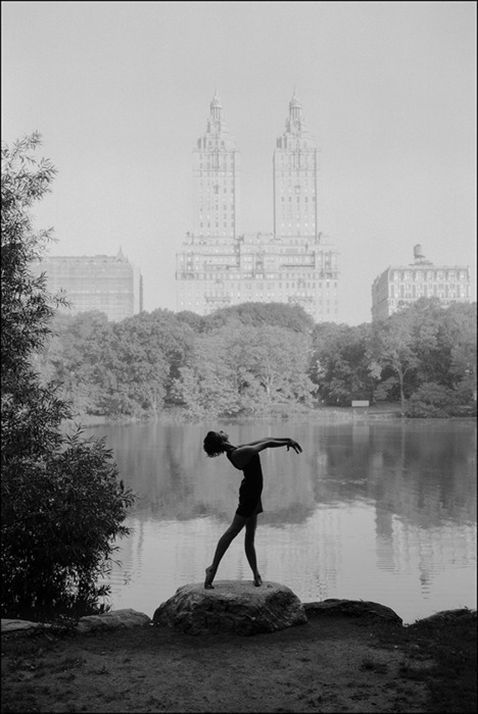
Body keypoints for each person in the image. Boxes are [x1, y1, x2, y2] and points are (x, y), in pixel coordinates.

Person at [202, 430, 303, 589]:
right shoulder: (239, 453)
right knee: (232, 531)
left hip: (254, 494)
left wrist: (288, 439)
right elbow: (267, 444)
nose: (222, 431)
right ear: (220, 439)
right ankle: (212, 567)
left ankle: (256, 574)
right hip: (249, 496)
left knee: (250, 537)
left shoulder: (237, 449)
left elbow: (266, 438)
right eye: (219, 432)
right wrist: (287, 442)